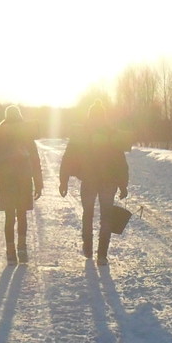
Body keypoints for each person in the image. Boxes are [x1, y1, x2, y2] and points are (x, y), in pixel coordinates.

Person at [58, 101, 130, 265]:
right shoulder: (111, 134)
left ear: (89, 116)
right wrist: (123, 184)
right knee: (106, 216)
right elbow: (120, 161)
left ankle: (88, 248)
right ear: (104, 117)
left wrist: (64, 181)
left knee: (87, 213)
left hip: (89, 180)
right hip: (109, 182)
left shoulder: (81, 134)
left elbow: (68, 158)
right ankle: (102, 255)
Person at [0, 105, 43, 263]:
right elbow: (35, 160)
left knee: (9, 217)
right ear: (19, 116)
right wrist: (38, 182)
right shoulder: (26, 134)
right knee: (21, 215)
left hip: (5, 180)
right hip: (23, 180)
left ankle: (10, 252)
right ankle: (22, 248)